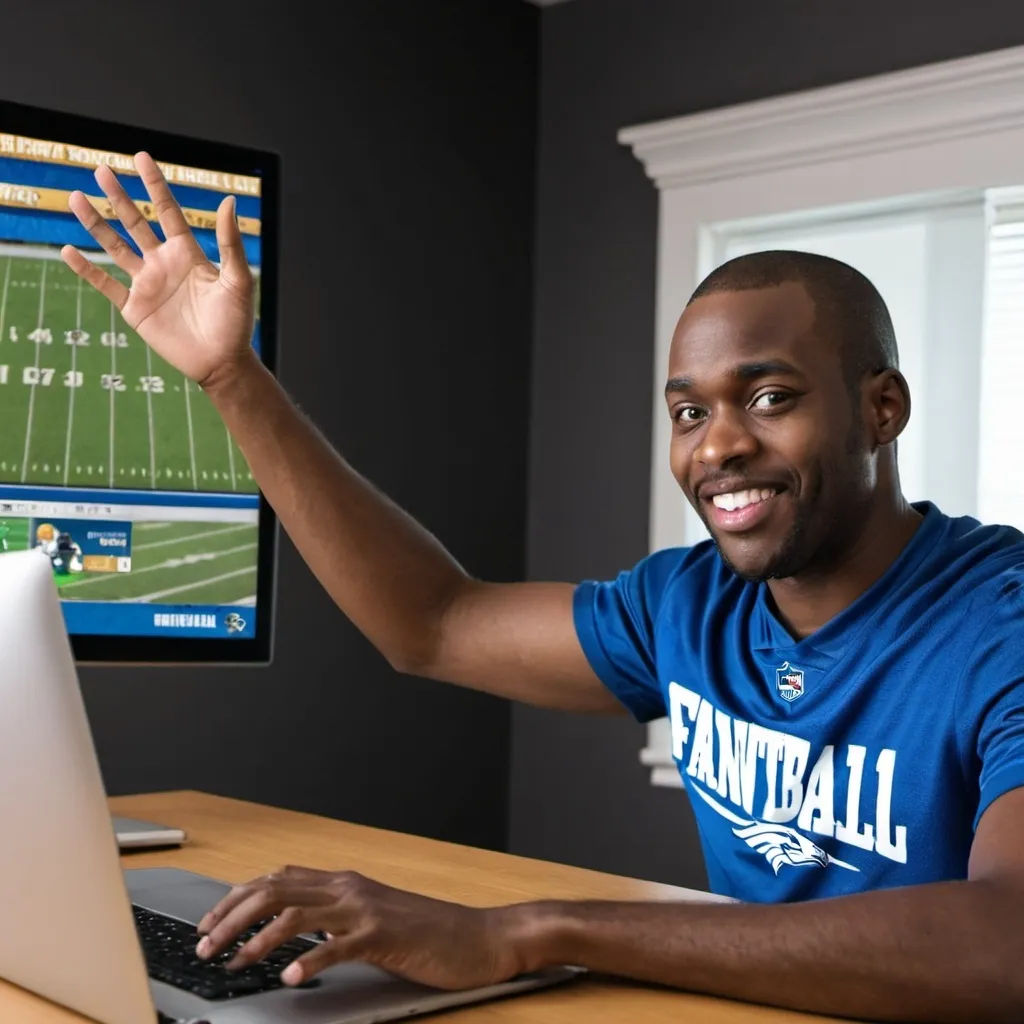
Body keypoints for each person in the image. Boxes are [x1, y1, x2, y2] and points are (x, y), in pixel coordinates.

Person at [62, 153, 1024, 1023]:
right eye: (689, 411)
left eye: (769, 398)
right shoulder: (684, 606)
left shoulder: (1001, 619)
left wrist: (533, 930)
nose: (719, 445)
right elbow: (432, 624)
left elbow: (1005, 946)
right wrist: (234, 377)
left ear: (882, 407)